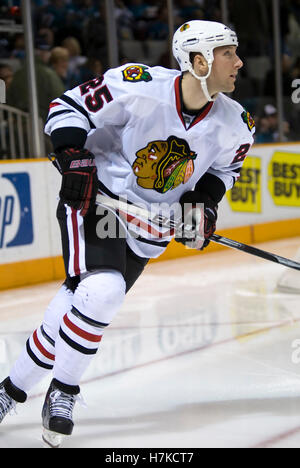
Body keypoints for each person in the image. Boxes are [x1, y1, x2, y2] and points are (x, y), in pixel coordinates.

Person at [0, 20, 255, 448]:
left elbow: (223, 171)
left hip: (149, 225)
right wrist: (73, 156)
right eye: (227, 53)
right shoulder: (138, 85)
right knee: (102, 291)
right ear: (198, 61)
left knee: (78, 302)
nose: (239, 62)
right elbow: (67, 108)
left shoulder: (236, 123)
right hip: (98, 201)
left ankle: (9, 390)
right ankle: (63, 392)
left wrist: (202, 206)